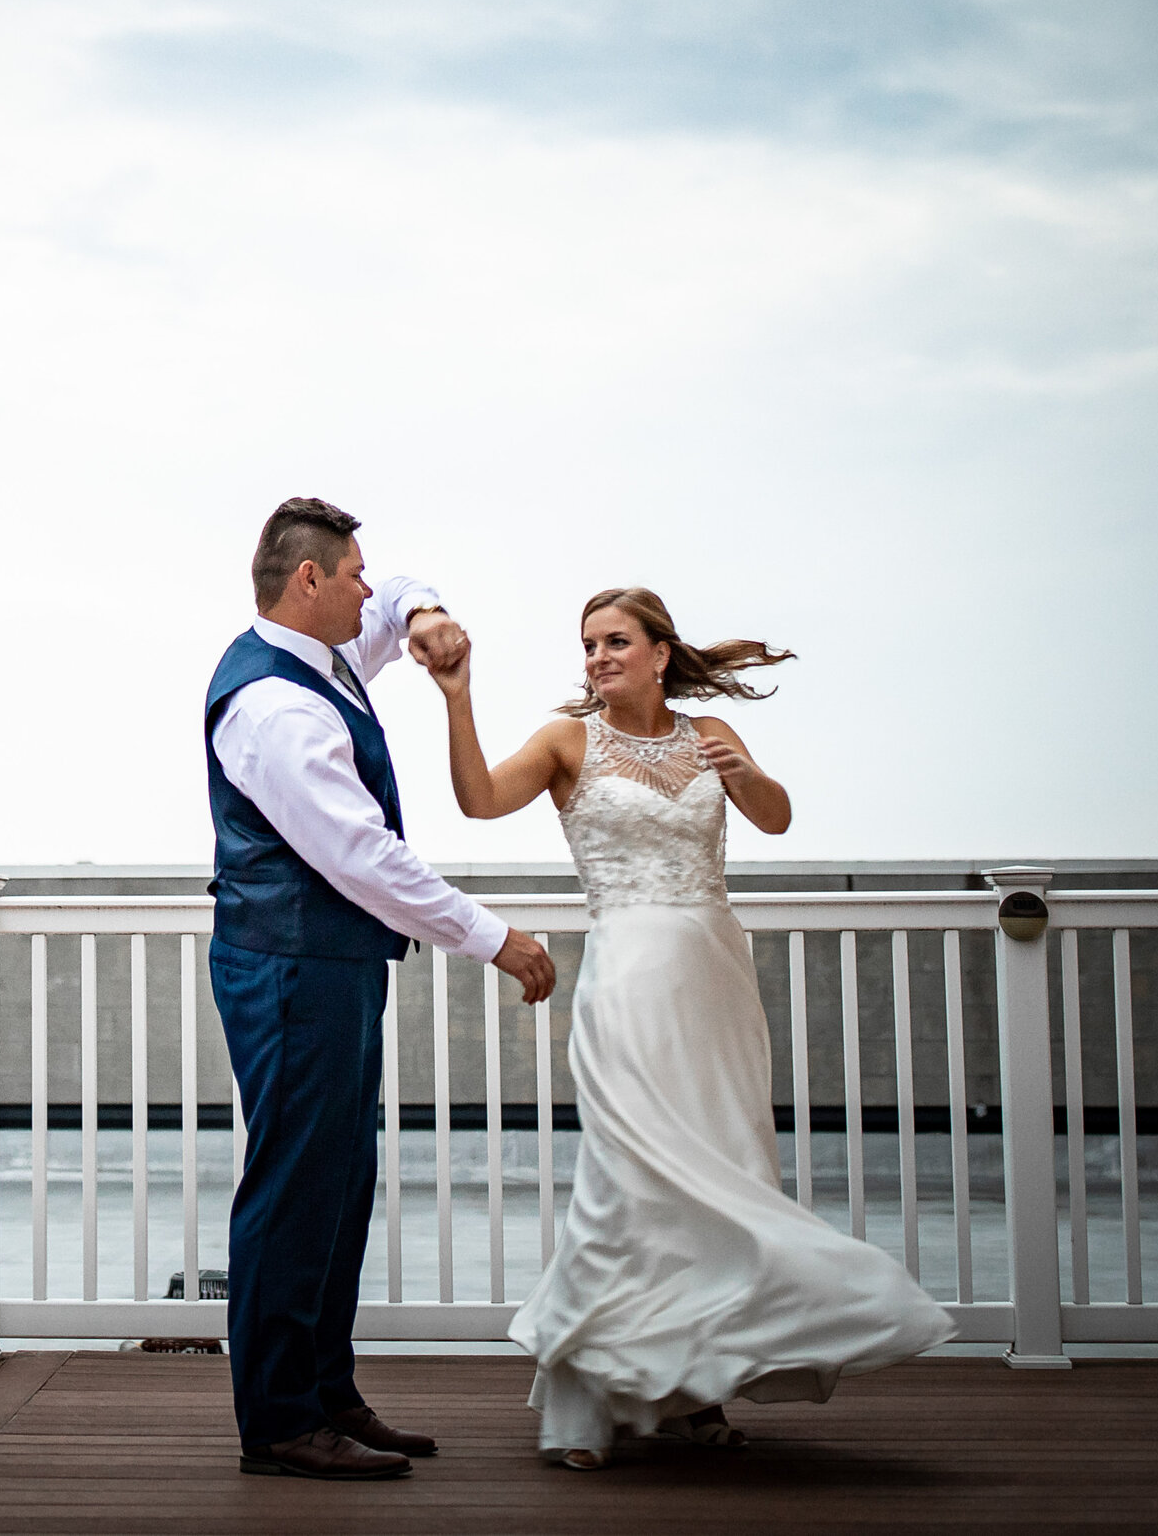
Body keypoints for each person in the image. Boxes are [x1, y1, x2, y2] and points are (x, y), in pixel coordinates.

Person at [429, 586, 954, 1469]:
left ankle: (693, 1394)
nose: (597, 657)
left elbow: (776, 817)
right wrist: (457, 696)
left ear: (661, 652)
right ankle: (590, 1399)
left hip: (716, 980)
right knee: (629, 1185)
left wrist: (747, 776)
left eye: (616, 642)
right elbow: (480, 800)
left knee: (724, 1179)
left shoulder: (709, 737)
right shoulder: (569, 741)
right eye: (588, 644)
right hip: (629, 981)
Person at [205, 497, 558, 1481]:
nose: (370, 584)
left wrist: (425, 614)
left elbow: (401, 594)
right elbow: (361, 857)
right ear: (309, 579)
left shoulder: (326, 655)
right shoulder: (275, 706)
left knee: (340, 1179)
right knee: (294, 1184)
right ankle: (277, 1417)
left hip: (332, 962)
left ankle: (325, 1389)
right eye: (354, 572)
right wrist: (491, 936)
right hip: (288, 966)